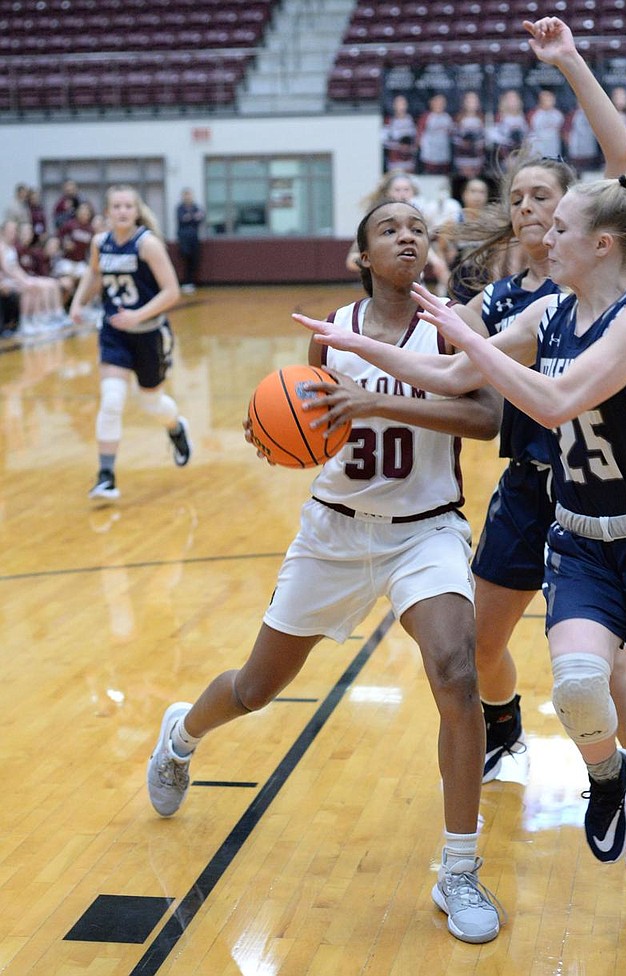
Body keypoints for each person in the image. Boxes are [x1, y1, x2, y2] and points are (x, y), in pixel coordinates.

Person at [304, 167, 626, 934]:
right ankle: (606, 778)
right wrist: (361, 353)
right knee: (575, 689)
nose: (545, 234)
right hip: (581, 538)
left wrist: (473, 335)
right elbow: (450, 370)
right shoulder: (548, 310)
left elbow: (552, 400)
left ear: (602, 244)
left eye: (562, 226)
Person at [333, 15, 626, 877]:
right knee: (481, 641)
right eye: (519, 198)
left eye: (544, 198)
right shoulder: (500, 300)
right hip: (533, 490)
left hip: (613, 498)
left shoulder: (607, 280)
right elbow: (449, 369)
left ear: (574, 213)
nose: (529, 210)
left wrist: (567, 65)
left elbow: (625, 163)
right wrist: (359, 366)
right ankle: (505, 725)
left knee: (624, 683)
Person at [147, 198, 505, 945]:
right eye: (388, 229)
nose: (406, 235)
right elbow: (302, 422)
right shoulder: (330, 335)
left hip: (425, 532)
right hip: (333, 534)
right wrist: (272, 435)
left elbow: (487, 418)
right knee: (255, 689)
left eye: (415, 227)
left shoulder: (449, 327)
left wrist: (382, 401)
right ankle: (182, 733)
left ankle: (460, 868)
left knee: (457, 673)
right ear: (362, 257)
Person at [69, 184, 191, 502]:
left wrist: (137, 315)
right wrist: (78, 302)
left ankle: (176, 427)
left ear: (136, 211)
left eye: (127, 206)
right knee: (112, 400)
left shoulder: (147, 244)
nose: (122, 211)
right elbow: (94, 275)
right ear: (107, 212)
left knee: (151, 402)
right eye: (116, 206)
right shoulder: (100, 243)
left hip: (149, 333)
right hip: (114, 333)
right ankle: (105, 476)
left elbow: (171, 292)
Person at [344, 172, 450, 295]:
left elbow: (425, 245)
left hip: (415, 286)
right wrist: (380, 261)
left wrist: (436, 261)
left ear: (413, 193)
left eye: (406, 189)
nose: (403, 194)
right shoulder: (375, 222)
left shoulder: (419, 217)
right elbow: (351, 261)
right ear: (387, 193)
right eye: (397, 190)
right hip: (385, 289)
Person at [175, 188, 205, 294]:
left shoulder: (196, 207)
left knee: (194, 261)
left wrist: (190, 218)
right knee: (186, 260)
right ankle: (185, 283)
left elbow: (200, 218)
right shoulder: (180, 208)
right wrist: (191, 218)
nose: (188, 197)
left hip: (194, 238)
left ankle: (191, 283)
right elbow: (183, 219)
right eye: (186, 195)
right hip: (184, 239)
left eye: (189, 195)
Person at [382, 93, 419, 173]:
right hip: (394, 162)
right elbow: (384, 142)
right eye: (398, 104)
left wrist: (410, 147)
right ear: (394, 106)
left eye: (403, 104)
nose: (401, 106)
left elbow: (416, 139)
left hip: (409, 162)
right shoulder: (389, 121)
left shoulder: (411, 120)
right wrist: (398, 146)